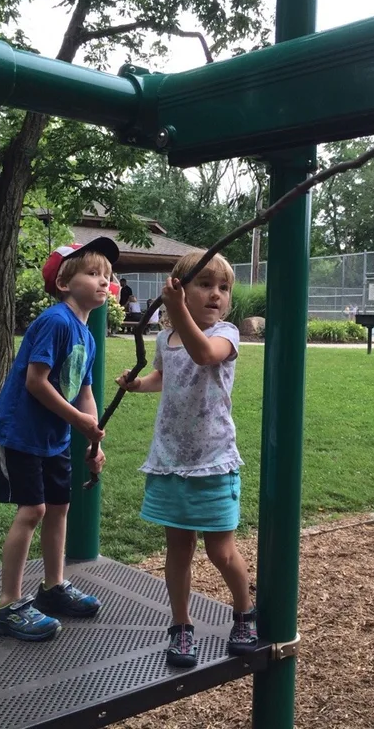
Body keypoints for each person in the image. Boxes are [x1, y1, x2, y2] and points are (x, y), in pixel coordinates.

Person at [115, 250, 257, 668]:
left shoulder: (226, 334)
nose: (216, 294)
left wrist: (177, 311)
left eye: (224, 288)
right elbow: (164, 375)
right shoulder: (166, 339)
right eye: (205, 284)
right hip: (170, 461)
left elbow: (204, 355)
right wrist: (138, 384)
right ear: (180, 287)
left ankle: (245, 611)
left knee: (221, 552)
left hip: (213, 460)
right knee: (177, 551)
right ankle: (181, 624)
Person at [0, 237, 119, 642]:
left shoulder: (87, 336)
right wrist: (78, 420)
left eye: (107, 276)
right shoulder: (56, 322)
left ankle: (53, 586)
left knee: (60, 507)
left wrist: (93, 442)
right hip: (21, 432)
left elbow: (85, 392)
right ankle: (8, 605)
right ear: (63, 283)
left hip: (54, 437)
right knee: (33, 510)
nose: (103, 281)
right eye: (92, 273)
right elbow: (36, 382)